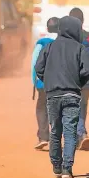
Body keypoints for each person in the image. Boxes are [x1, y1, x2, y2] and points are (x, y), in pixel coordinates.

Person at [35, 16, 89, 178]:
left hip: (52, 94)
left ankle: (56, 166)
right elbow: (87, 70)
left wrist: (49, 81)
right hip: (72, 95)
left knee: (55, 131)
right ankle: (67, 168)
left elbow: (39, 68)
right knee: (69, 133)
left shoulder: (49, 47)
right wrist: (78, 82)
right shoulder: (79, 48)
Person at [68, 8, 89, 150]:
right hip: (87, 78)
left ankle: (79, 134)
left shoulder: (66, 37)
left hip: (70, 77)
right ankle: (80, 133)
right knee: (82, 105)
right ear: (83, 21)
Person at [30, 17, 60, 150]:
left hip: (43, 82)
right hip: (60, 82)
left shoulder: (41, 43)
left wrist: (34, 81)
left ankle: (43, 137)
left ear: (47, 28)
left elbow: (34, 63)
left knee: (41, 108)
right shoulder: (64, 42)